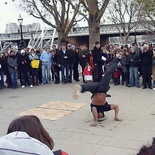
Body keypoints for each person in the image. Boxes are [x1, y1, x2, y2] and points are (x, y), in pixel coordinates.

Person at [73, 53, 123, 126]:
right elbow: (116, 106)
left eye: (98, 117)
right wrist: (116, 116)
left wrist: (96, 121)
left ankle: (80, 88)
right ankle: (117, 58)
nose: (99, 116)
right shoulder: (105, 108)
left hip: (95, 90)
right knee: (109, 72)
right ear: (103, 114)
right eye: (101, 116)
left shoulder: (94, 108)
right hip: (103, 89)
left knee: (89, 86)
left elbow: (94, 110)